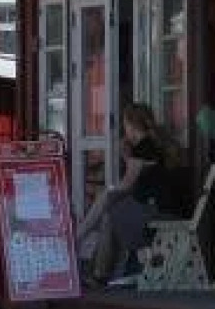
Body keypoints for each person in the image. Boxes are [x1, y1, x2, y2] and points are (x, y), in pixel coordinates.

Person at [74, 103, 182, 285]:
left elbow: (127, 184)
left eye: (125, 123)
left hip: (154, 210)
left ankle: (80, 241)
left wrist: (110, 190)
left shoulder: (145, 147)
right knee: (109, 211)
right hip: (151, 206)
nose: (124, 128)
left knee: (108, 204)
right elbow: (134, 185)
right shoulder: (149, 145)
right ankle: (96, 269)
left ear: (131, 124)